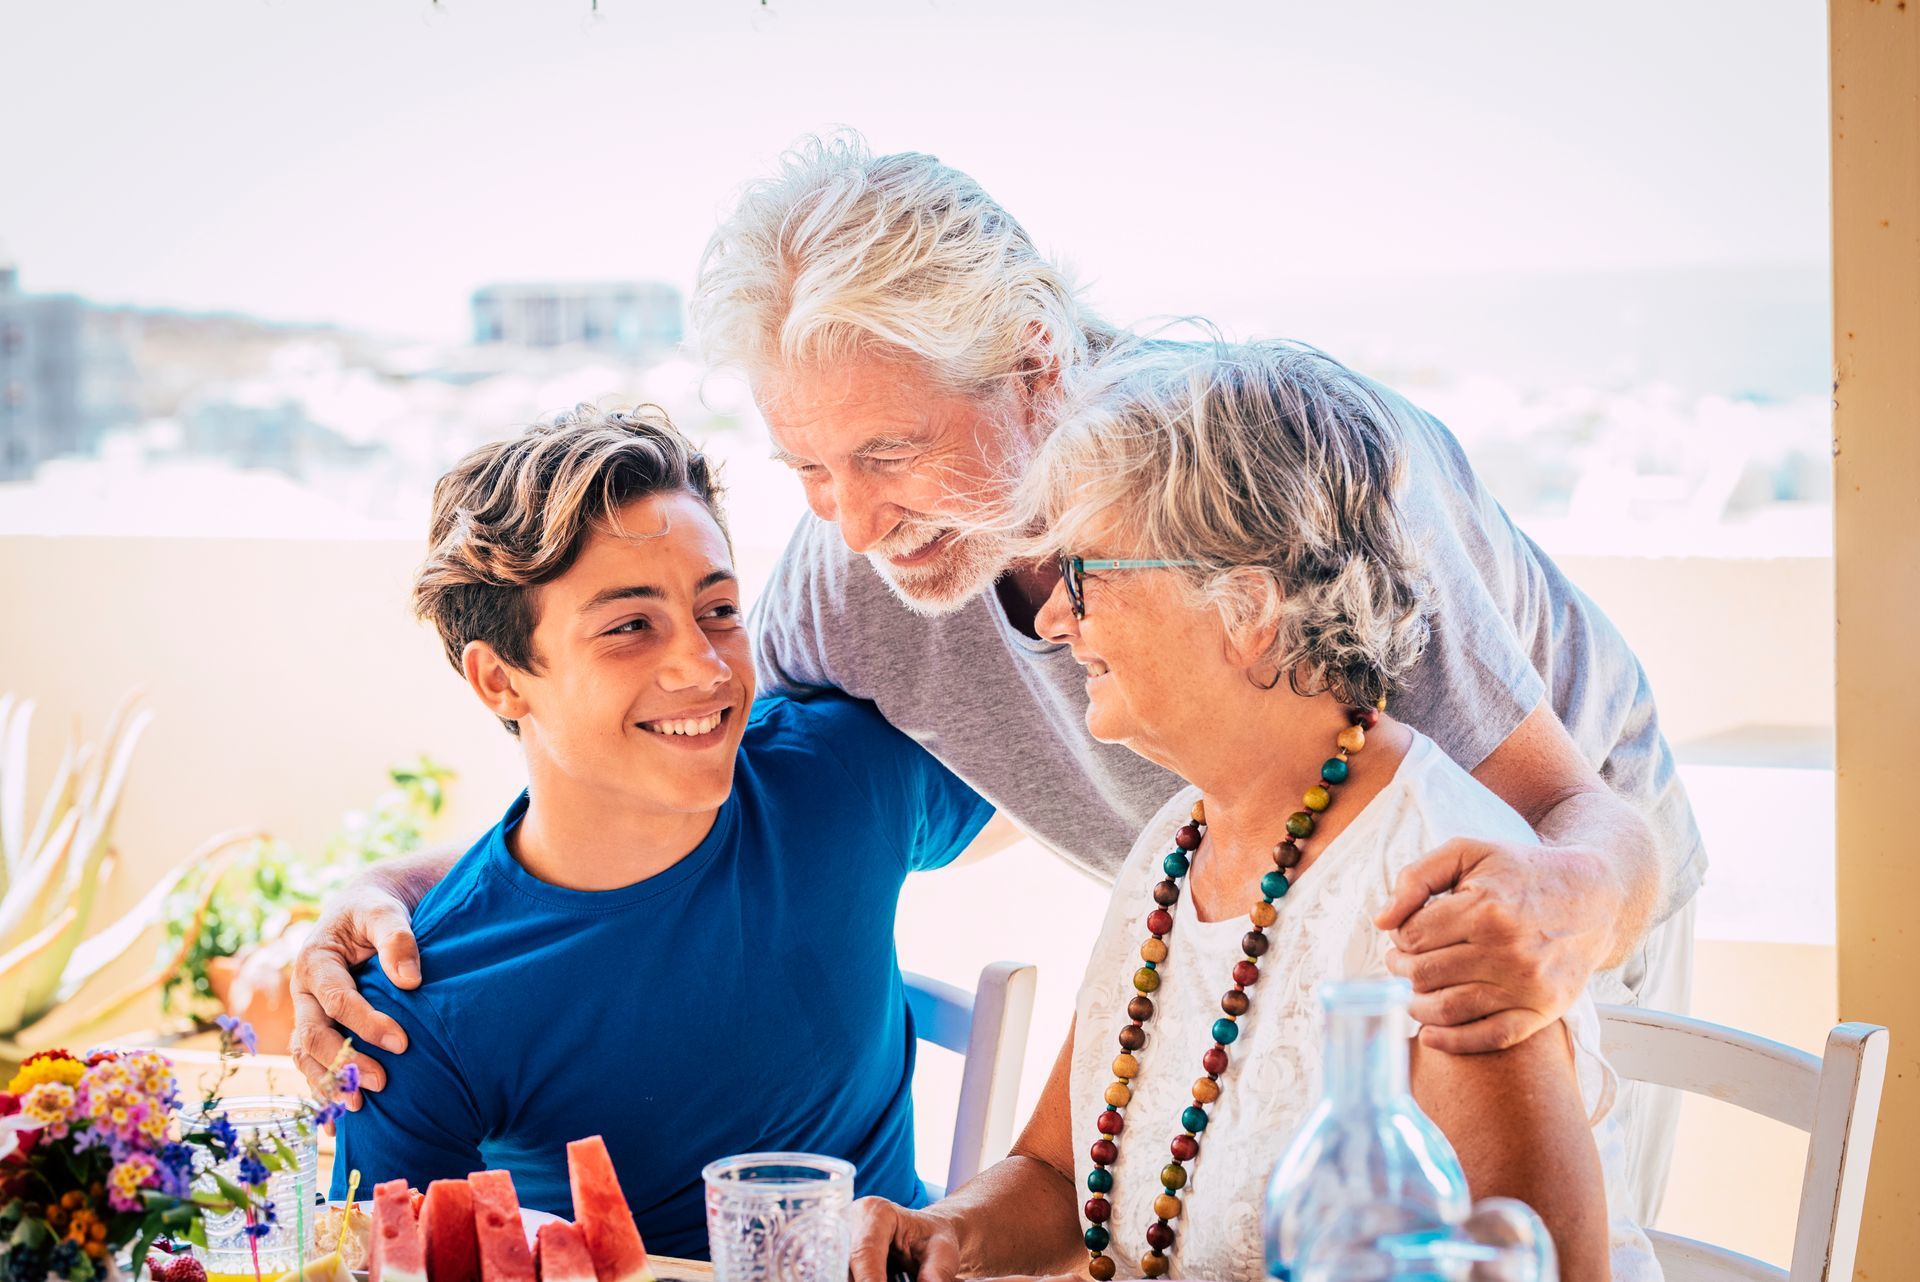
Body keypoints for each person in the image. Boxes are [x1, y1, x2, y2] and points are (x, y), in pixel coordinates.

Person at [293, 135, 1701, 1220]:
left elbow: (1566, 812)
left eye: (889, 455)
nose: (848, 519)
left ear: (1034, 366)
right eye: (808, 469)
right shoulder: (860, 577)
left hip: (1549, 885)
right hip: (1247, 914)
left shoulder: (1278, 486)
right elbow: (669, 774)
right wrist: (419, 902)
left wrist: (1569, 912)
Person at [847, 340, 1658, 1282]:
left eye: (1084, 575)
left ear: (1247, 606)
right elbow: (1064, 1172)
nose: (1050, 621)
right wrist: (945, 1232)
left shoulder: (1443, 891)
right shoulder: (1182, 838)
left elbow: (1546, 1270)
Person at [327, 406, 992, 1257]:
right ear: (501, 681)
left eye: (718, 609)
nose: (704, 667)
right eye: (630, 627)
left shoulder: (838, 778)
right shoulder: (416, 1011)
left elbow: (1031, 807)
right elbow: (385, 1263)